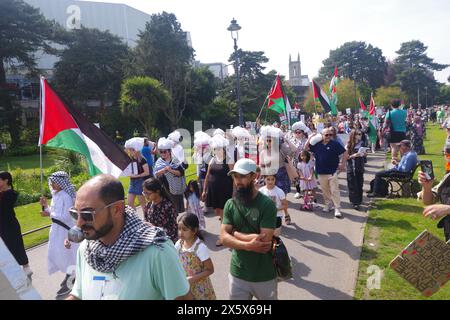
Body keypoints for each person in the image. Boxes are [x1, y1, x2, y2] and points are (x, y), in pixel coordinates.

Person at [66, 174, 191, 300]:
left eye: (87, 215)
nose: (79, 223)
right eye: (75, 214)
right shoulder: (86, 250)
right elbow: (78, 293)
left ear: (116, 209)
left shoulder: (157, 252)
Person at [220, 158, 278, 300]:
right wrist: (248, 245)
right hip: (238, 274)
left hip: (264, 274)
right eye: (235, 176)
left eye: (243, 176)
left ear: (254, 176)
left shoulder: (267, 204)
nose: (238, 181)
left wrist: (234, 233)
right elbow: (223, 238)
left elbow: (263, 242)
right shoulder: (230, 204)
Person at [39, 171, 78, 297]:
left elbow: (66, 216)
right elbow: (54, 212)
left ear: (62, 182)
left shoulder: (66, 196)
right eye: (52, 181)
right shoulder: (56, 195)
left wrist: (49, 214)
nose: (52, 184)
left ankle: (73, 279)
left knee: (67, 254)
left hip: (64, 230)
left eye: (54, 182)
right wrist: (45, 206)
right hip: (56, 229)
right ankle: (69, 273)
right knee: (58, 253)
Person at [305, 128, 348, 218]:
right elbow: (306, 148)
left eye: (330, 135)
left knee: (334, 190)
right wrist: (310, 138)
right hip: (321, 172)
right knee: (325, 191)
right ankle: (328, 204)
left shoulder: (335, 144)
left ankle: (337, 208)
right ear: (322, 135)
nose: (328, 136)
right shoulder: (317, 145)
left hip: (332, 171)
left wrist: (343, 164)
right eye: (326, 135)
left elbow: (345, 152)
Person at [175, 213, 216, 300]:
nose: (180, 232)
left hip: (201, 288)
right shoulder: (179, 244)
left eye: (184, 229)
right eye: (179, 229)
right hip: (187, 287)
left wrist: (192, 279)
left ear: (194, 230)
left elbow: (210, 269)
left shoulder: (200, 247)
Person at [202, 134, 234, 247]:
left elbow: (234, 177)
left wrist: (235, 192)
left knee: (223, 213)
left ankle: (223, 236)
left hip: (225, 190)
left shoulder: (229, 160)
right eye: (215, 149)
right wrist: (204, 190)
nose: (217, 150)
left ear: (223, 149)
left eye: (219, 148)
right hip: (213, 191)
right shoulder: (212, 160)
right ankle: (229, 228)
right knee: (217, 212)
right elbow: (207, 175)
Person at [0, 172, 32, 281]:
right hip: (3, 225)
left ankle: (26, 267)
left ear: (6, 181)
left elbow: (3, 206)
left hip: (9, 225)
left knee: (16, 246)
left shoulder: (11, 194)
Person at [154, 138, 186, 213]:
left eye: (164, 152)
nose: (162, 154)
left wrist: (170, 170)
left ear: (169, 151)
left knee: (176, 209)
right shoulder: (159, 161)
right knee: (168, 209)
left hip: (175, 188)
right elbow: (156, 174)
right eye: (161, 152)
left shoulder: (175, 161)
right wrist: (164, 170)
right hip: (164, 188)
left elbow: (181, 173)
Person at [142, 178, 179, 243]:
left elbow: (174, 229)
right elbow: (146, 220)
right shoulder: (148, 205)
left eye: (148, 193)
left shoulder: (168, 206)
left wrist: (154, 228)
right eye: (144, 193)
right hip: (153, 240)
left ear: (157, 191)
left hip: (168, 242)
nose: (146, 196)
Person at [259, 169, 289, 234]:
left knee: (275, 237)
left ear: (275, 180)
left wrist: (276, 209)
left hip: (276, 217)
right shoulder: (261, 191)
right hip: (264, 217)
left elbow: (285, 205)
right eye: (268, 179)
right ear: (264, 179)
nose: (270, 182)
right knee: (265, 237)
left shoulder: (279, 191)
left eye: (272, 179)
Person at [125, 139, 150, 209]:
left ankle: (146, 217)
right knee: (129, 202)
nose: (130, 151)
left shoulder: (142, 159)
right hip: (132, 182)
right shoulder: (130, 159)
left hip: (140, 181)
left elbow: (147, 172)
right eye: (130, 150)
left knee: (142, 203)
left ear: (137, 150)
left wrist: (137, 175)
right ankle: (136, 218)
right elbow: (125, 151)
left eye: (132, 150)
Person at [345, 130, 367, 210]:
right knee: (352, 184)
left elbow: (365, 155)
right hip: (351, 166)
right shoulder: (348, 144)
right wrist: (354, 155)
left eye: (361, 134)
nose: (360, 135)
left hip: (359, 166)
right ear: (353, 135)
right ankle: (355, 202)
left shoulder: (362, 143)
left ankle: (359, 200)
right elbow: (346, 157)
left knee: (360, 183)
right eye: (358, 134)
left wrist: (364, 154)